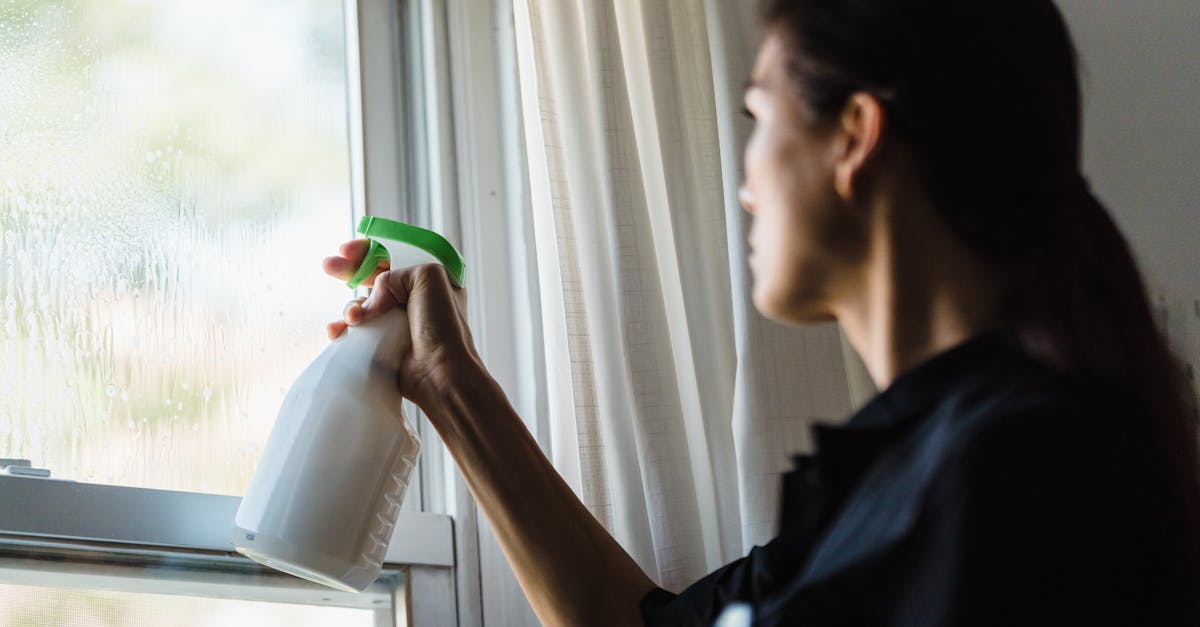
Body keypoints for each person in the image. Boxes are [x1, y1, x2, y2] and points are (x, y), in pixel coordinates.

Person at [323, 1, 1200, 625]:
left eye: (759, 116)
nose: (745, 186)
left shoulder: (1020, 476)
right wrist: (446, 380)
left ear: (854, 136)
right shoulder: (901, 486)